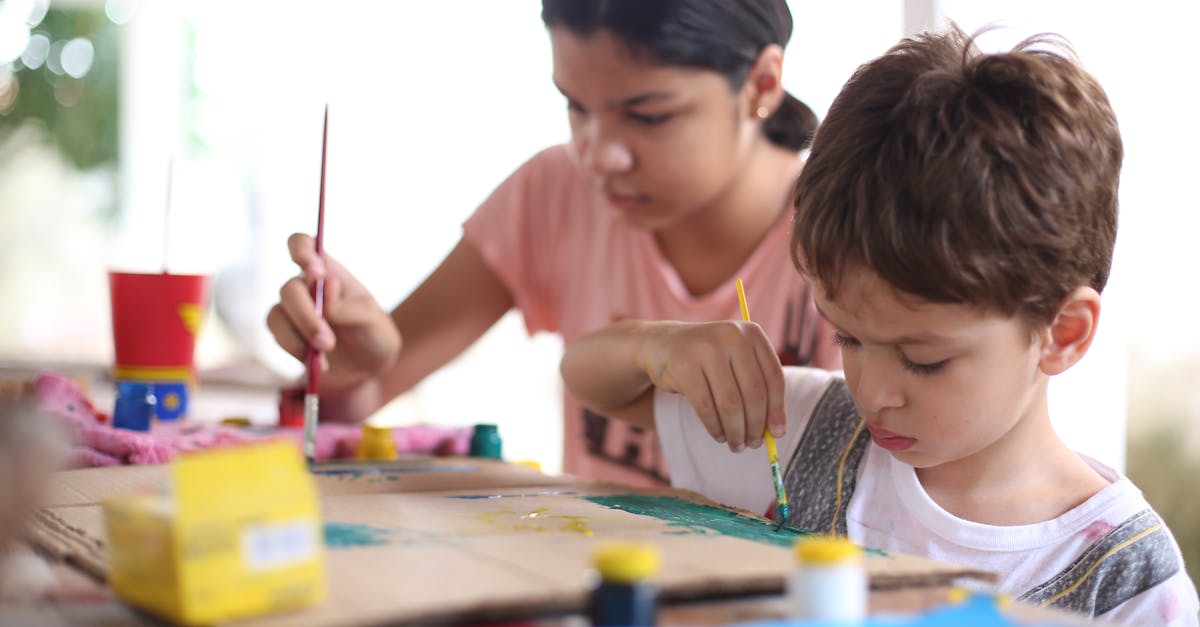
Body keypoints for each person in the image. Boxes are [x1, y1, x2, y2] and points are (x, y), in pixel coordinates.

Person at [559, 25, 1199, 624]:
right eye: (848, 338)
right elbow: (593, 382)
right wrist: (661, 344)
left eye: (924, 359)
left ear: (1063, 332)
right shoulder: (811, 436)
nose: (873, 391)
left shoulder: (1129, 581)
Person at [266, 0, 841, 487]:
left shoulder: (852, 235)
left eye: (648, 116)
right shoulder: (556, 192)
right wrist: (345, 372)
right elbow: (349, 411)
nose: (599, 156)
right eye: (576, 107)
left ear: (762, 84)